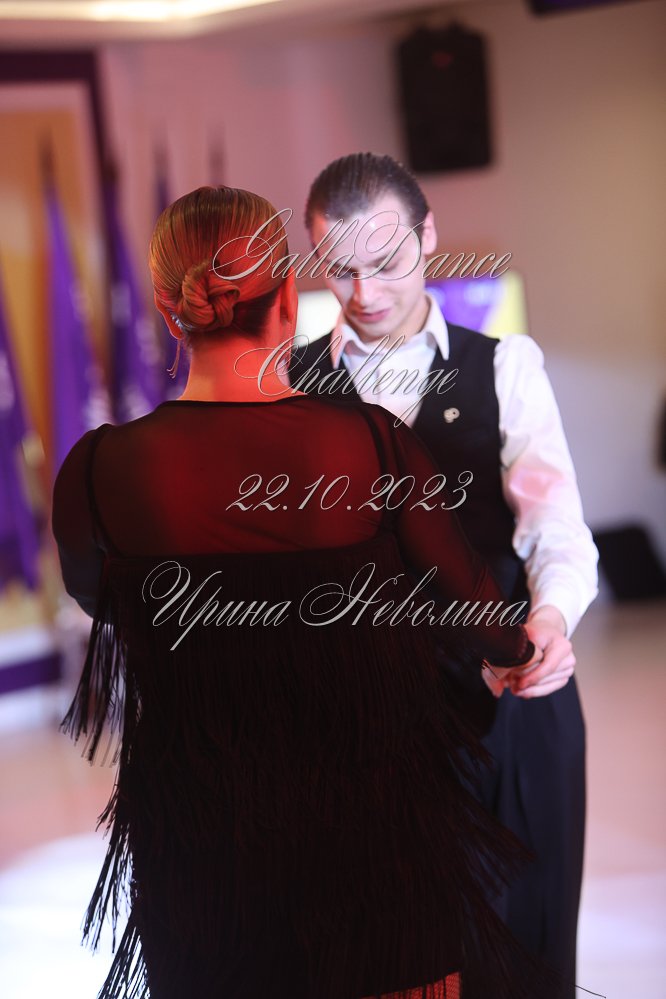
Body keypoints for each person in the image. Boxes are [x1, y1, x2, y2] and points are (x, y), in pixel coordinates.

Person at [53, 185, 558, 999]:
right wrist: (524, 647)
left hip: (203, 855)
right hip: (376, 842)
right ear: (289, 297)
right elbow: (475, 615)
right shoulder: (373, 445)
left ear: (168, 308)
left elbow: (100, 602)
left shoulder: (99, 469)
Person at [288, 152, 599, 997]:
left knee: (526, 952)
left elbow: (556, 526)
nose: (364, 293)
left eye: (386, 261)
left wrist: (549, 621)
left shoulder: (507, 366)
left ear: (428, 236)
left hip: (511, 703)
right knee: (394, 954)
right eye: (339, 270)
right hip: (365, 716)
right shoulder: (290, 387)